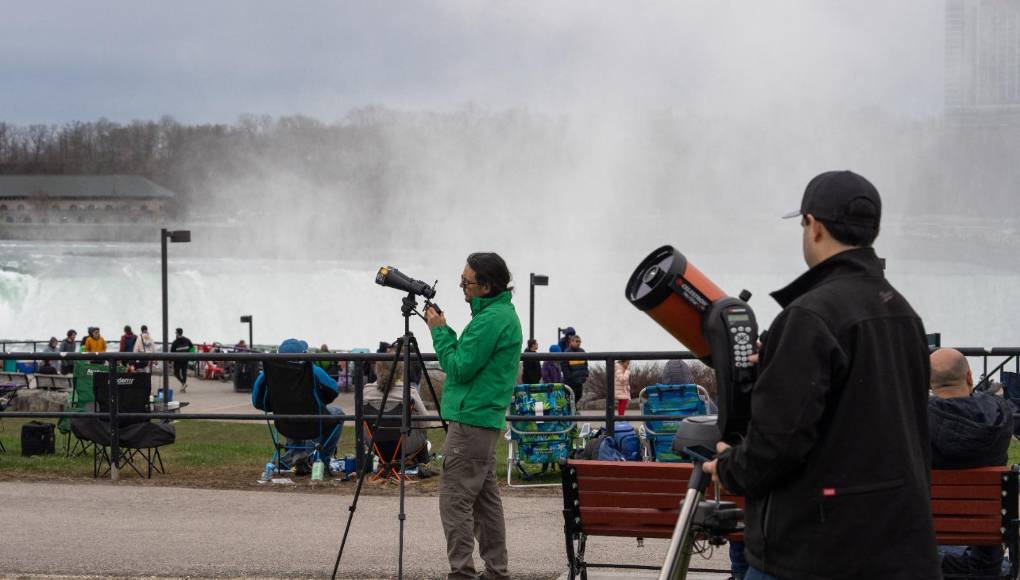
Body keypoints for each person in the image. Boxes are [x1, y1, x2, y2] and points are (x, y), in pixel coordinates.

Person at [704, 170, 940, 579]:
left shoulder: (809, 316)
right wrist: (782, 362)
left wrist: (728, 467)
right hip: (898, 546)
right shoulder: (902, 311)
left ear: (813, 227)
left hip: (814, 553)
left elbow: (778, 445)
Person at [424, 252, 522, 580]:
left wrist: (439, 331)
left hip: (472, 422)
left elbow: (459, 368)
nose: (462, 287)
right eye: (461, 281)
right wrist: (447, 330)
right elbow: (467, 361)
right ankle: (496, 572)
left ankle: (462, 574)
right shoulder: (496, 314)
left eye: (467, 282)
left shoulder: (491, 320)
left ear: (486, 285)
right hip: (483, 420)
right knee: (484, 503)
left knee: (454, 501)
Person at [929, 348, 1013, 576]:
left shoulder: (917, 423)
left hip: (927, 554)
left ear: (930, 384)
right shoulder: (1000, 418)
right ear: (969, 377)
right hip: (986, 560)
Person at [251, 338, 345, 472]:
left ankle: (295, 455)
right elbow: (333, 390)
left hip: (284, 422)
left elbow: (257, 401)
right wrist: (320, 399)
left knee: (292, 414)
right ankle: (322, 461)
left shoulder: (268, 373)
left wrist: (276, 404)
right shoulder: (311, 370)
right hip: (312, 421)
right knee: (338, 414)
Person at [362, 359, 438, 471]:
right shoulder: (409, 392)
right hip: (404, 448)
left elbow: (360, 423)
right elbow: (426, 424)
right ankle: (424, 466)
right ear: (400, 371)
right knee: (422, 435)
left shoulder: (366, 392)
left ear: (376, 370)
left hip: (376, 446)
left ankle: (384, 464)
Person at [561, 334, 589, 405]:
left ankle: (573, 410)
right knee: (570, 396)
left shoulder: (582, 351)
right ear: (571, 342)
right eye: (577, 341)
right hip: (571, 381)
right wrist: (569, 377)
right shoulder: (566, 353)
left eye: (579, 341)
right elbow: (564, 366)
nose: (579, 343)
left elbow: (585, 364)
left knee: (579, 395)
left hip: (580, 380)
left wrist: (586, 374)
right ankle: (571, 411)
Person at [170, 328, 193, 393]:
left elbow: (171, 353)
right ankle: (183, 385)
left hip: (178, 361)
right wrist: (191, 356)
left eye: (175, 333)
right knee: (184, 373)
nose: (175, 334)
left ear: (177, 333)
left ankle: (183, 384)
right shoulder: (187, 340)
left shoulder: (175, 342)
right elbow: (192, 348)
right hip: (185, 359)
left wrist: (170, 362)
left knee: (176, 373)